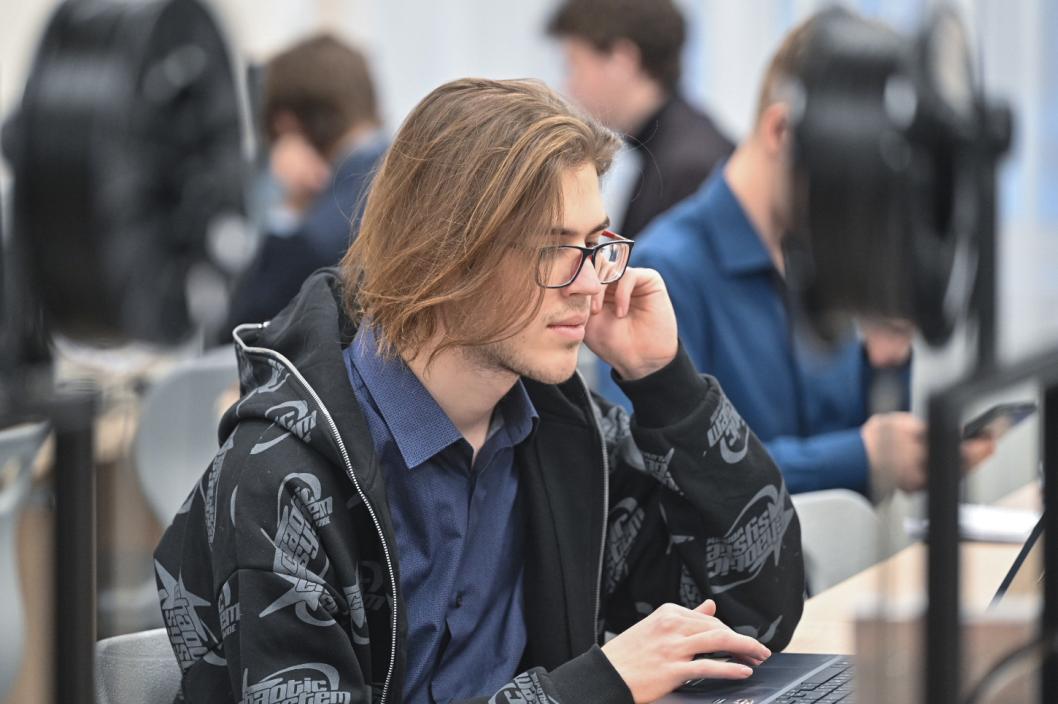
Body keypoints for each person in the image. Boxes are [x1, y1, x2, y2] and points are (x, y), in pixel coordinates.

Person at [154, 78, 804, 704]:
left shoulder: (564, 432)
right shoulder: (278, 483)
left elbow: (753, 620)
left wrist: (666, 384)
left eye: (595, 243)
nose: (591, 284)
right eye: (555, 249)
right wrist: (596, 685)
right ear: (445, 257)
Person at [595, 10, 994, 498]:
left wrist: (885, 361)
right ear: (784, 132)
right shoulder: (666, 272)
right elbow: (661, 472)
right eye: (849, 172)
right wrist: (858, 457)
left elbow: (864, 456)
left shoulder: (826, 265)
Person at [225, 33, 388, 331]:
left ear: (286, 123)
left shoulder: (313, 238)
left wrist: (289, 208)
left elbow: (242, 331)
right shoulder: (420, 175)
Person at [547, 0, 733, 238]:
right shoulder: (679, 145)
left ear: (622, 60)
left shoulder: (687, 170)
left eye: (574, 65)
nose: (569, 86)